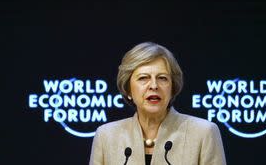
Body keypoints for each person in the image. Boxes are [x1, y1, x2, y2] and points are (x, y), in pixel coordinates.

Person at [89, 42, 226, 165]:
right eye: (143, 78)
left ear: (172, 88)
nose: (154, 85)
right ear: (128, 89)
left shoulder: (203, 133)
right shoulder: (106, 136)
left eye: (162, 78)